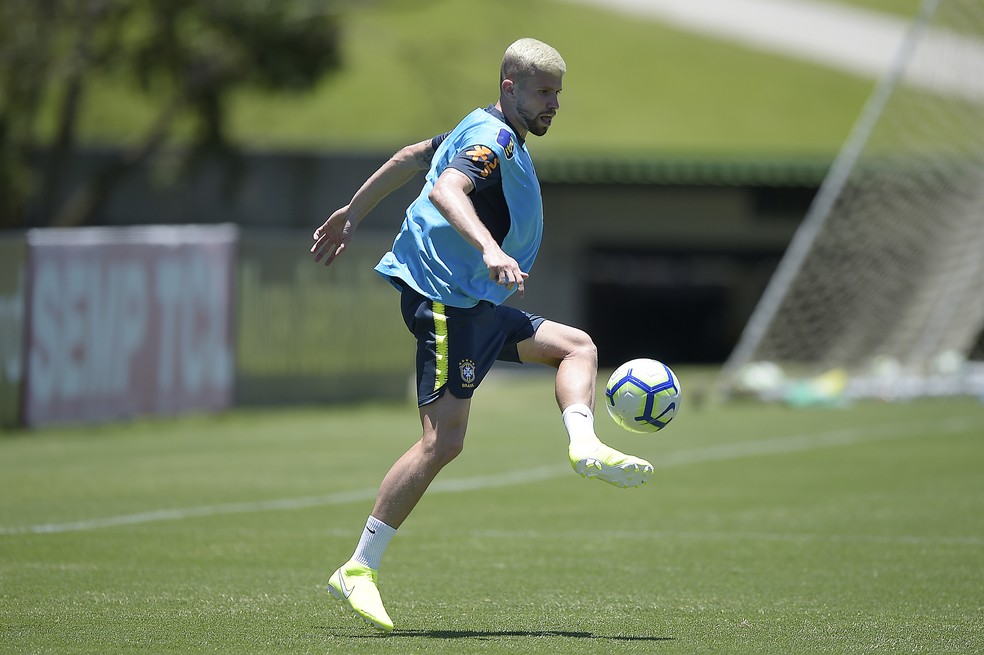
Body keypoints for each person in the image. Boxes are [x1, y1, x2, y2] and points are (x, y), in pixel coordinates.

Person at [310, 38, 654, 632]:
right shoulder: (490, 143)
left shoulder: (481, 126)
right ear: (509, 89)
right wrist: (491, 248)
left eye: (558, 94)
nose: (553, 105)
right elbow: (446, 190)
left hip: (474, 302)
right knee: (443, 441)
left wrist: (353, 211)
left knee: (577, 347)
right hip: (449, 305)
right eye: (543, 93)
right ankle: (358, 568)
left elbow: (415, 155)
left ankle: (584, 444)